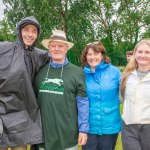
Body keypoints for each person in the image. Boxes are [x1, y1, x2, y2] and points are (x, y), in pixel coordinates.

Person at [34, 29, 89, 150]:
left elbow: (83, 103)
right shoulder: (40, 72)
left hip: (67, 137)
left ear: (66, 48)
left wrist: (83, 130)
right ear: (48, 47)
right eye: (53, 46)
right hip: (44, 137)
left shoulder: (77, 73)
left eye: (60, 46)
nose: (56, 49)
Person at [0, 16, 49, 150]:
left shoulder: (39, 55)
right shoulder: (4, 49)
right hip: (2, 114)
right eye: (26, 30)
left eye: (34, 31)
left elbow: (59, 57)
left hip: (23, 118)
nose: (30, 34)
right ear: (19, 31)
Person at [81, 42, 122, 150]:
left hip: (110, 126)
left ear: (102, 55)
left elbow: (123, 95)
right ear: (85, 57)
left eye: (96, 53)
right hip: (89, 127)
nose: (92, 57)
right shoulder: (81, 74)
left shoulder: (115, 72)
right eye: (89, 54)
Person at [120, 38, 150, 150]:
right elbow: (121, 97)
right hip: (129, 128)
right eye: (140, 52)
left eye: (147, 52)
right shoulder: (126, 76)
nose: (143, 55)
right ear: (135, 54)